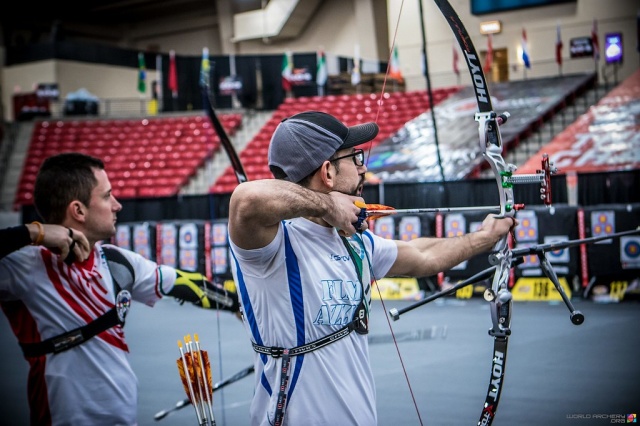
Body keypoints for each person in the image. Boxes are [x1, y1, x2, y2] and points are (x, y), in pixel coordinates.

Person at [227, 111, 516, 425]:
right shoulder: (271, 248)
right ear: (327, 172)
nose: (364, 167)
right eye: (355, 157)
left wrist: (485, 237)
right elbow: (246, 199)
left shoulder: (355, 242)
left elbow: (423, 254)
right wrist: (327, 204)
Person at [0, 152, 239, 425]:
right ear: (78, 210)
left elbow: (185, 284)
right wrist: (35, 233)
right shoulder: (25, 266)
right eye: (107, 196)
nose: (117, 205)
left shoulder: (116, 261)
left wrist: (238, 305)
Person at [0, 222, 91, 261]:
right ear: (78, 210)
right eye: (105, 197)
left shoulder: (103, 249)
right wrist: (33, 232)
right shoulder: (32, 260)